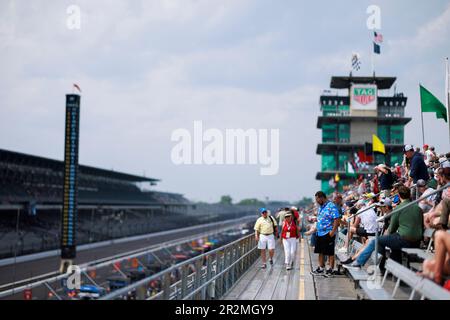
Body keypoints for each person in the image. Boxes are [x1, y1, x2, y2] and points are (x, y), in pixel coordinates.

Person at [343, 186, 423, 272]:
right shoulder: (418, 208)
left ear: (399, 196)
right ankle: (385, 269)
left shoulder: (398, 208)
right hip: (417, 241)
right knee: (389, 246)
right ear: (409, 195)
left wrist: (382, 238)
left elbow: (391, 229)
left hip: (404, 240)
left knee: (376, 241)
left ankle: (359, 263)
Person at [310, 191, 341, 277]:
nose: (316, 201)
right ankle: (321, 268)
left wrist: (333, 231)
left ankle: (330, 269)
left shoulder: (331, 206)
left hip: (328, 232)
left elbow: (336, 219)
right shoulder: (320, 207)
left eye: (317, 199)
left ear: (322, 198)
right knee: (320, 251)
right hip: (320, 233)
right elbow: (321, 218)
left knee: (330, 252)